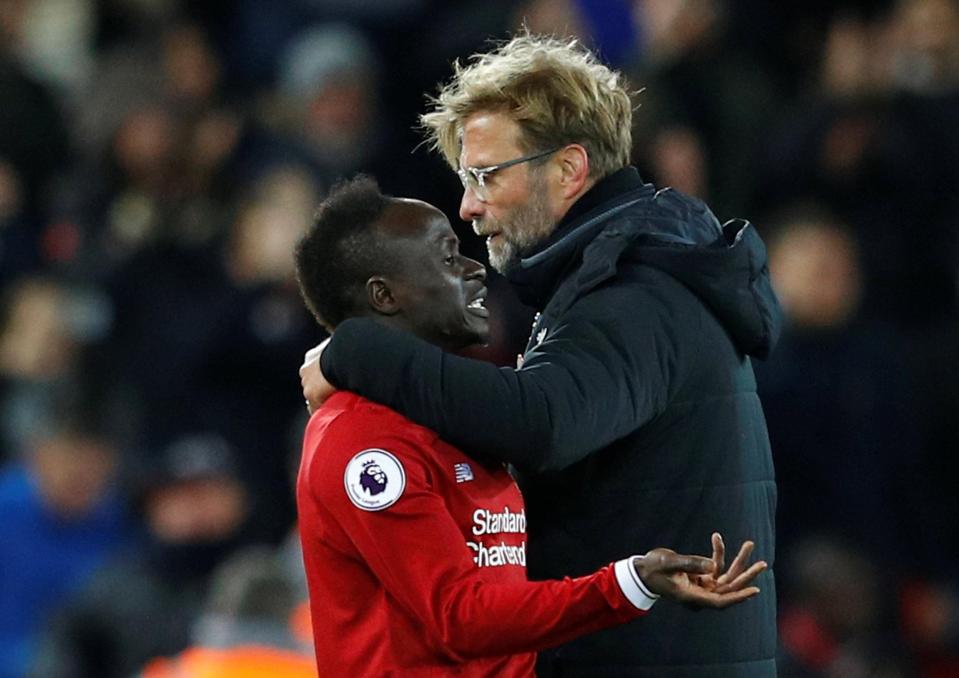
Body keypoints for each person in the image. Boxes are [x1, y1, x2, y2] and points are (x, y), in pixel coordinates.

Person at [301, 34, 781, 677]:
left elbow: (541, 422)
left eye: (485, 175)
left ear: (568, 169)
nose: (469, 207)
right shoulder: (629, 275)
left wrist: (355, 348)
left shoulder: (636, 293)